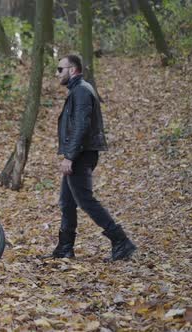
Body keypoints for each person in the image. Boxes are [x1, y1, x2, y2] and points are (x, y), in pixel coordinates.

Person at [49, 55, 136, 261]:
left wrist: (69, 156)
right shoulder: (79, 89)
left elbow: (81, 126)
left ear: (73, 70)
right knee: (67, 202)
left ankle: (121, 241)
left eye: (60, 69)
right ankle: (65, 248)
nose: (57, 73)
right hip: (81, 152)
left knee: (86, 200)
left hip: (81, 154)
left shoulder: (80, 91)